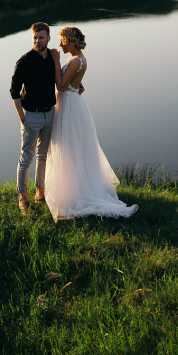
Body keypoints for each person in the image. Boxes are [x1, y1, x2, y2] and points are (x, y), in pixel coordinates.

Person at [45, 26, 138, 222]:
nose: (60, 45)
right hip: (70, 103)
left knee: (70, 147)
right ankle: (72, 186)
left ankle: (76, 191)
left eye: (63, 41)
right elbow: (72, 82)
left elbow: (61, 85)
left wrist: (55, 61)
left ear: (72, 41)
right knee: (72, 148)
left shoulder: (76, 60)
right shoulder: (77, 59)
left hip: (69, 107)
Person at [10, 21, 57, 213]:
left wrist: (76, 85)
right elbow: (14, 90)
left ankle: (40, 193)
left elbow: (61, 78)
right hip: (31, 116)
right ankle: (22, 197)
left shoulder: (53, 58)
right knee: (26, 158)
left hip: (50, 114)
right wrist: (21, 115)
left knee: (43, 156)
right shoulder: (24, 61)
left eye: (41, 37)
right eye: (35, 38)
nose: (38, 41)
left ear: (48, 38)